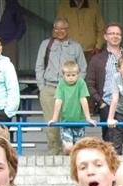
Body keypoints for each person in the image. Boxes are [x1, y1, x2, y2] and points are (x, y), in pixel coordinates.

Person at [35, 18, 86, 155]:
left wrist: (75, 87)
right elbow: (39, 66)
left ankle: (71, 154)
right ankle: (54, 153)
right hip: (50, 88)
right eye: (57, 29)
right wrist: (42, 87)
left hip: (70, 89)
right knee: (52, 124)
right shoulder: (46, 44)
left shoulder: (76, 47)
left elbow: (83, 69)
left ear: (68, 29)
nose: (60, 31)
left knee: (70, 121)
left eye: (63, 29)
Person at [84, 22, 123, 141]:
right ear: (105, 36)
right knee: (109, 143)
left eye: (118, 34)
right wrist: (101, 102)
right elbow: (89, 83)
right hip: (107, 105)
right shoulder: (97, 59)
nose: (115, 36)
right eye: (111, 33)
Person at [48, 59, 97, 154]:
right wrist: (54, 118)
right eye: (68, 75)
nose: (71, 78)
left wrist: (88, 118)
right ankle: (66, 156)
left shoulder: (81, 83)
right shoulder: (61, 84)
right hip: (65, 122)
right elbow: (58, 101)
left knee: (79, 148)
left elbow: (83, 100)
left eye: (73, 75)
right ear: (63, 75)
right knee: (68, 147)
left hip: (79, 122)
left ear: (78, 74)